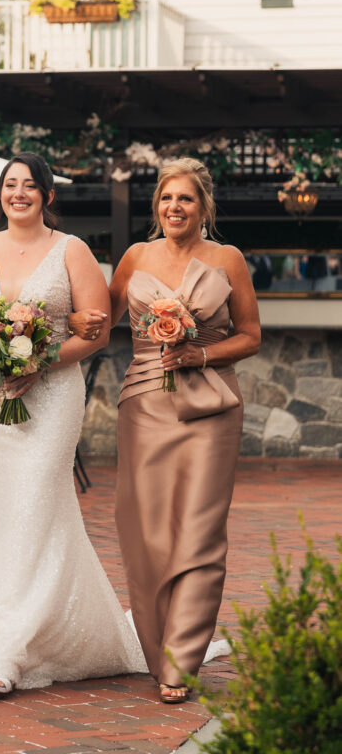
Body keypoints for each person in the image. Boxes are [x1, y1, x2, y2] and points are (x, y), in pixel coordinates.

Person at [0, 152, 147, 695]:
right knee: (1, 508)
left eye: (29, 186)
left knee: (40, 500)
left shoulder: (72, 251)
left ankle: (12, 647)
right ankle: (3, 626)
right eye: (9, 185)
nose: (17, 193)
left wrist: (38, 364)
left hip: (51, 398)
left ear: (48, 195)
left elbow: (94, 333)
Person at [108, 157, 260, 703]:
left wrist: (200, 353)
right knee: (145, 533)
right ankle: (156, 650)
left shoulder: (228, 260)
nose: (175, 207)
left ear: (203, 208)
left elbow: (251, 336)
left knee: (198, 531)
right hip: (144, 405)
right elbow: (99, 322)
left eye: (186, 199)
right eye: (167, 198)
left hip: (212, 408)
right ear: (157, 207)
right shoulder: (134, 258)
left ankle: (181, 663)